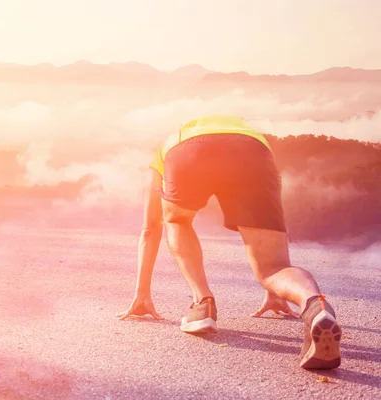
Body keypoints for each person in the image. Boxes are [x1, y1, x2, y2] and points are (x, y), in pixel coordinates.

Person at [116, 115, 342, 370]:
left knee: (176, 221)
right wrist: (276, 288)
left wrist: (142, 294)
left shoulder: (164, 147)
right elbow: (271, 223)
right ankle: (314, 305)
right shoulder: (249, 134)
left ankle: (203, 304)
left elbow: (150, 228)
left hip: (187, 151)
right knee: (272, 268)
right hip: (252, 150)